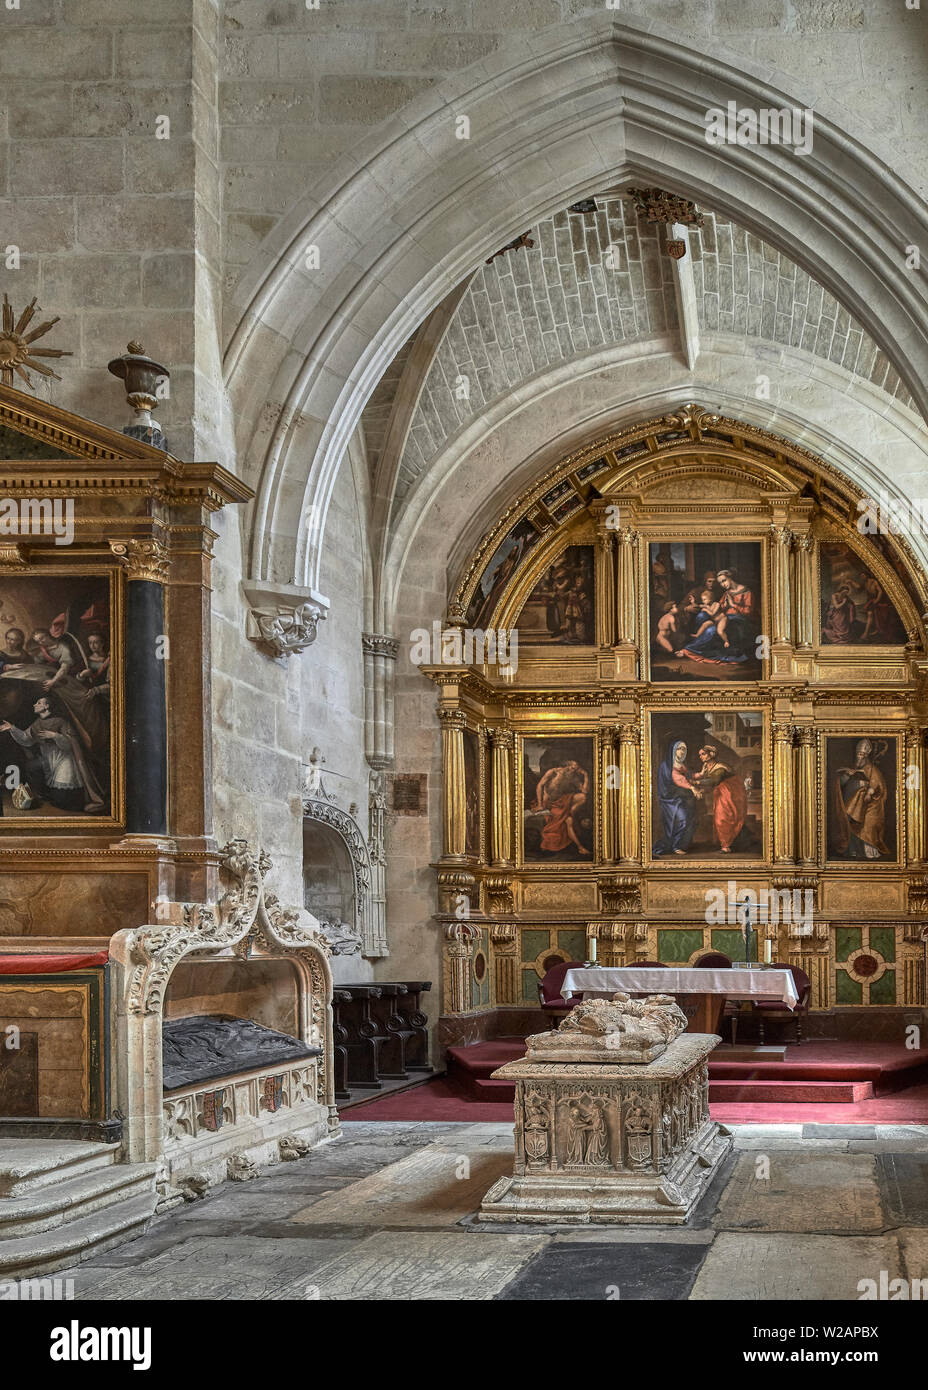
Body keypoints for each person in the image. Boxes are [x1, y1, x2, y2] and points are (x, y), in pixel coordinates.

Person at [0, 695, 106, 813]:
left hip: (64, 759)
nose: (35, 705)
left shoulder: (61, 721)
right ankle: (45, 794)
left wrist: (55, 736)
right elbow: (26, 739)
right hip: (48, 759)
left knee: (62, 801)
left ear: (47, 706)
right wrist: (12, 729)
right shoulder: (37, 723)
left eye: (39, 703)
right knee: (32, 766)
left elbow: (71, 743)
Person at [833, 738, 890, 859]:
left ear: (866, 756)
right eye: (858, 754)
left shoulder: (872, 769)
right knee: (851, 825)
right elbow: (840, 785)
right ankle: (853, 851)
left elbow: (878, 783)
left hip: (868, 804)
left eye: (862, 754)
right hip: (852, 801)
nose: (859, 757)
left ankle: (869, 852)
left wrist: (869, 791)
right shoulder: (852, 768)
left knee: (867, 826)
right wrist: (847, 776)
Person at [532, 757, 591, 857]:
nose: (573, 770)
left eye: (576, 769)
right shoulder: (553, 772)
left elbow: (585, 791)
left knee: (582, 798)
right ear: (567, 766)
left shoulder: (573, 777)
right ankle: (580, 847)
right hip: (549, 803)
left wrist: (586, 775)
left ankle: (570, 812)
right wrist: (539, 804)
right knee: (567, 821)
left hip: (561, 802)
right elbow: (540, 786)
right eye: (572, 768)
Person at [693, 744, 748, 853]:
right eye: (700, 755)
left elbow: (714, 781)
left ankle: (726, 846)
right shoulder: (708, 767)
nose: (701, 757)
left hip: (731, 793)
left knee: (723, 817)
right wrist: (702, 790)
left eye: (703, 754)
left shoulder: (720, 767)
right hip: (722, 793)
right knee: (720, 817)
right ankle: (725, 844)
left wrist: (695, 782)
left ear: (711, 754)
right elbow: (713, 784)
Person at [653, 740, 702, 856]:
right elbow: (678, 779)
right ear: (674, 750)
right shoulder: (667, 765)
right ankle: (675, 845)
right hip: (669, 800)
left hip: (679, 799)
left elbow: (689, 775)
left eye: (684, 749)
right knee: (682, 819)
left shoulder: (681, 764)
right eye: (680, 748)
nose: (682, 751)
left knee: (690, 819)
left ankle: (680, 844)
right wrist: (692, 788)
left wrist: (701, 774)